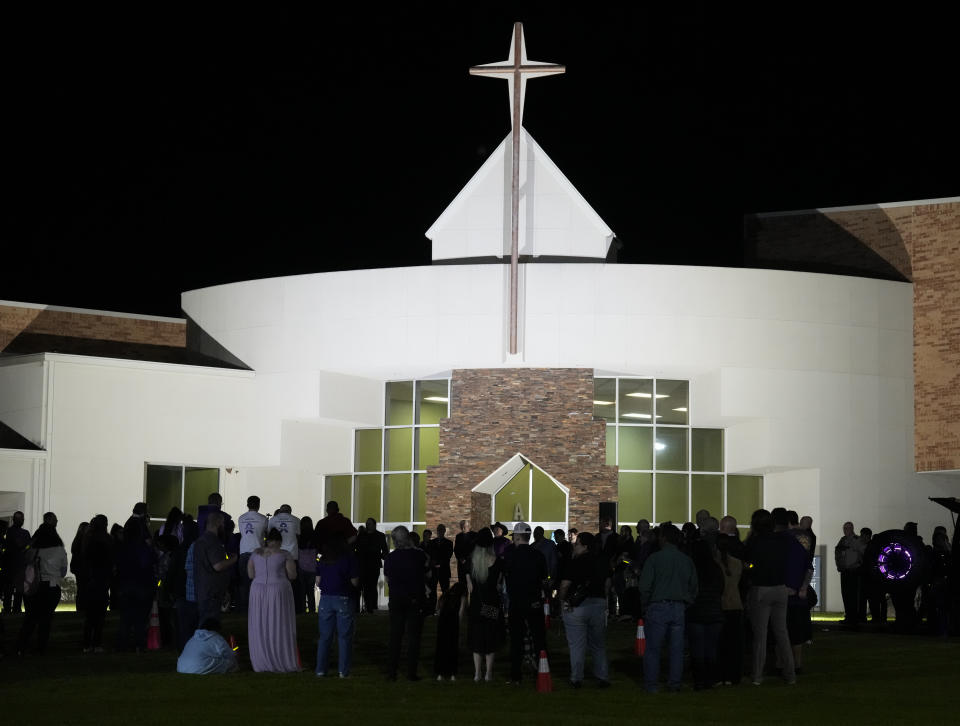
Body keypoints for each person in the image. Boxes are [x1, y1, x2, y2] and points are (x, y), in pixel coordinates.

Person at [638, 522, 698, 693]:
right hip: (679, 607)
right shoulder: (685, 560)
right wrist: (686, 601)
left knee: (653, 649)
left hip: (657, 606)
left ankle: (651, 685)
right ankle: (674, 683)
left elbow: (644, 586)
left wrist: (647, 603)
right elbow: (694, 586)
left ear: (663, 538)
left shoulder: (655, 559)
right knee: (677, 650)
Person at [743, 509, 796, 685]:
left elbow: (748, 562)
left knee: (761, 635)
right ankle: (790, 674)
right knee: (782, 633)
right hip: (780, 588)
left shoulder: (754, 542)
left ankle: (758, 675)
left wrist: (750, 568)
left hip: (761, 589)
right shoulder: (781, 541)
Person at [558, 532, 611, 688]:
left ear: (584, 546)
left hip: (577, 606)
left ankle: (576, 678)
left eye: (577, 543)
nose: (574, 546)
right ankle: (602, 676)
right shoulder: (601, 561)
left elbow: (565, 585)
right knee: (598, 644)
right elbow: (607, 583)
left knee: (577, 645)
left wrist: (562, 600)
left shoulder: (575, 562)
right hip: (598, 604)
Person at [247, 528, 299, 672]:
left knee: (260, 623)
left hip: (258, 590)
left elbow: (251, 574)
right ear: (280, 541)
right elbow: (292, 575)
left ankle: (261, 659)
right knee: (279, 622)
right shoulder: (285, 554)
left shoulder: (255, 554)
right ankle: (281, 657)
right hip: (278, 590)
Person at [16, 513, 68, 655]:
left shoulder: (34, 549)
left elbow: (25, 562)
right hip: (51, 586)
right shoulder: (59, 550)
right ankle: (41, 648)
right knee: (46, 620)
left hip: (35, 586)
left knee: (31, 618)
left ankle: (21, 646)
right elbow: (63, 572)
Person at [503, 521, 548, 684]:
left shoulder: (510, 555)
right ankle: (542, 670)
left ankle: (516, 675)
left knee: (516, 640)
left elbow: (505, 577)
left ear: (516, 536)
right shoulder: (538, 555)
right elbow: (545, 579)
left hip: (516, 602)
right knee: (538, 639)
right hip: (534, 601)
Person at [384, 525, 430, 681]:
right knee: (413, 638)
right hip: (414, 600)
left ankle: (392, 672)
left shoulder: (390, 558)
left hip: (396, 599)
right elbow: (427, 569)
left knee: (395, 637)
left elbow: (388, 579)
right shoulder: (417, 556)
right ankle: (411, 672)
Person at [314, 535, 360, 677]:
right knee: (344, 637)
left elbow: (317, 581)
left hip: (325, 599)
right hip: (343, 598)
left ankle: (320, 670)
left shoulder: (323, 560)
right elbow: (355, 582)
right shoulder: (348, 559)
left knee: (325, 637)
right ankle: (343, 671)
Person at [687, 529, 725, 690]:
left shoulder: (692, 568)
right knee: (711, 648)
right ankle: (710, 679)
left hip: (696, 612)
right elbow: (721, 588)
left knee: (697, 648)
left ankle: (699, 681)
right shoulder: (716, 568)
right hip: (714, 612)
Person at [114, 516, 157, 652]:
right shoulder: (144, 548)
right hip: (142, 586)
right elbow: (149, 563)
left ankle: (123, 644)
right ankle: (139, 644)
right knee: (141, 618)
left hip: (125, 585)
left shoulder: (122, 547)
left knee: (125, 618)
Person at [465, 527, 502, 682]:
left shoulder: (470, 561)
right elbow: (499, 586)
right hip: (492, 604)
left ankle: (477, 673)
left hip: (476, 605)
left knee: (476, 638)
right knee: (490, 638)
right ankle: (488, 674)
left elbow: (470, 588)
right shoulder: (498, 562)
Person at [194, 511, 234, 624]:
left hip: (204, 591)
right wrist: (233, 560)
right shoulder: (213, 541)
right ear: (219, 523)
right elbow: (218, 565)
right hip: (212, 593)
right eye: (223, 524)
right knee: (210, 627)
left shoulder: (201, 541)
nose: (224, 527)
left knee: (204, 625)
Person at [80, 514, 113, 653]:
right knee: (100, 616)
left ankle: (87, 644)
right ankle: (96, 643)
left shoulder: (88, 539)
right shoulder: (106, 540)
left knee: (90, 616)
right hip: (101, 580)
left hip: (91, 580)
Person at [715, 531, 744, 685]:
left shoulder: (714, 563)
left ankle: (720, 675)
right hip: (736, 605)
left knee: (720, 644)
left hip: (721, 605)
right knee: (734, 645)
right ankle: (734, 676)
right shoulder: (737, 563)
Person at [236, 495, 267, 612]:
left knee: (244, 583)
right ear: (258, 505)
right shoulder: (263, 519)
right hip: (258, 553)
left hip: (244, 552)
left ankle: (244, 609)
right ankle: (257, 607)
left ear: (247, 504)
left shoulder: (241, 518)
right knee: (258, 582)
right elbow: (266, 534)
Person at [434, 580, 466, 681]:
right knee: (452, 648)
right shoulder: (462, 596)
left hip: (443, 624)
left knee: (441, 648)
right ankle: (452, 673)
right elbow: (461, 612)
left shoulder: (445, 595)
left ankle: (440, 673)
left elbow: (437, 609)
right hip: (453, 623)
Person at [835, 521, 864, 627]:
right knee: (846, 594)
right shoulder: (842, 540)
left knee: (853, 595)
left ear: (852, 529)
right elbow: (838, 553)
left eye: (847, 528)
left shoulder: (857, 540)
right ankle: (849, 617)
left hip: (854, 571)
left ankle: (854, 618)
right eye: (844, 528)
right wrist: (839, 566)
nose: (845, 530)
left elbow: (863, 553)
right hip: (845, 571)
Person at [356, 517, 388, 613]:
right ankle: (367, 606)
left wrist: (381, 556)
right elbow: (357, 548)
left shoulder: (380, 536)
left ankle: (372, 606)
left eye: (369, 523)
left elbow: (385, 550)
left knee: (372, 586)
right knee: (365, 586)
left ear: (374, 525)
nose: (367, 525)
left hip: (374, 564)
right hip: (363, 564)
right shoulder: (361, 535)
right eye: (367, 523)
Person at [2, 511, 31, 614]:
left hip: (9, 566)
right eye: (21, 519)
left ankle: (7, 610)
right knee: (18, 591)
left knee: (9, 591)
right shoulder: (25, 533)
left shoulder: (7, 532)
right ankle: (16, 610)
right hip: (20, 566)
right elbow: (28, 548)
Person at [297, 516, 317, 614]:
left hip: (301, 567)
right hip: (312, 567)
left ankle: (302, 610)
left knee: (302, 591)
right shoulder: (314, 536)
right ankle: (312, 611)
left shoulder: (299, 537)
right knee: (310, 591)